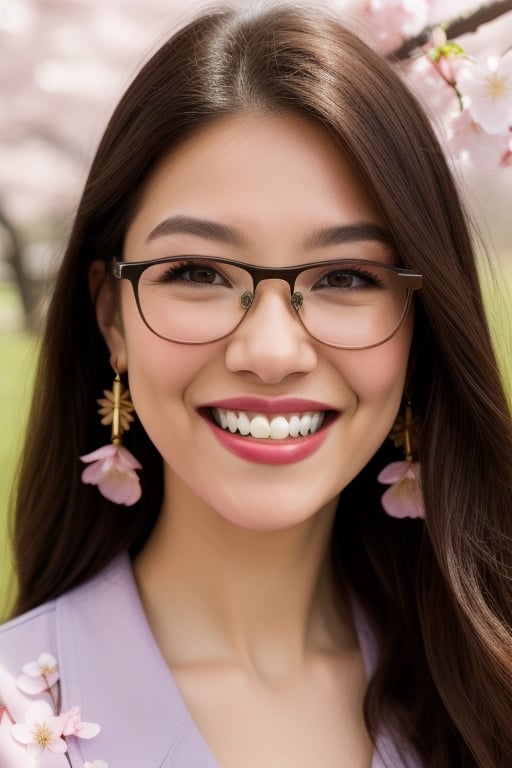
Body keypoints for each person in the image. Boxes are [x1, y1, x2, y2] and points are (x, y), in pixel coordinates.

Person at [1, 3, 511, 767]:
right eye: (197, 272)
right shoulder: (20, 717)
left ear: (421, 321)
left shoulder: (484, 697)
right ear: (112, 317)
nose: (271, 352)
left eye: (346, 276)